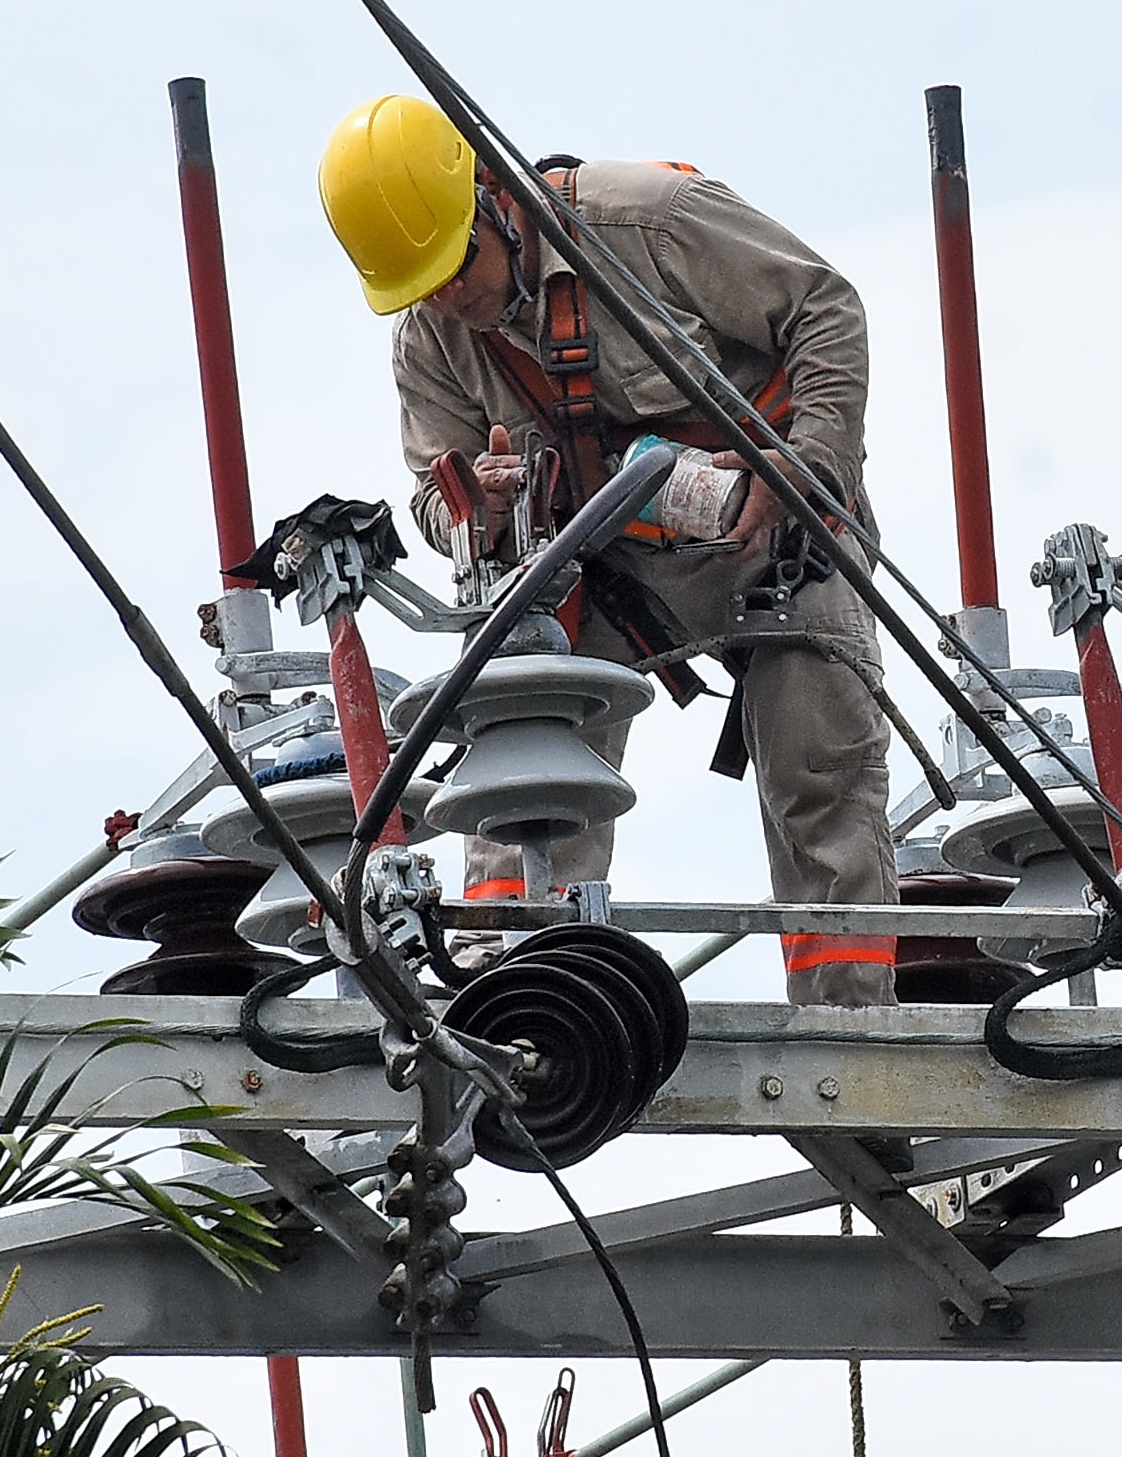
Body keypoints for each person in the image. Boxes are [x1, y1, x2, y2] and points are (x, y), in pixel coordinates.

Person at [318, 94, 894, 1005]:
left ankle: (856, 1036)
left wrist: (803, 468)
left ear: (493, 201)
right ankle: (519, 995)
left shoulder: (646, 224)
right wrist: (484, 510)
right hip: (603, 573)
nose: (448, 298)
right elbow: (437, 497)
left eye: (453, 267)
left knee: (818, 775)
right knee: (526, 764)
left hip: (772, 543)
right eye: (420, 285)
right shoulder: (430, 336)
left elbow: (825, 311)